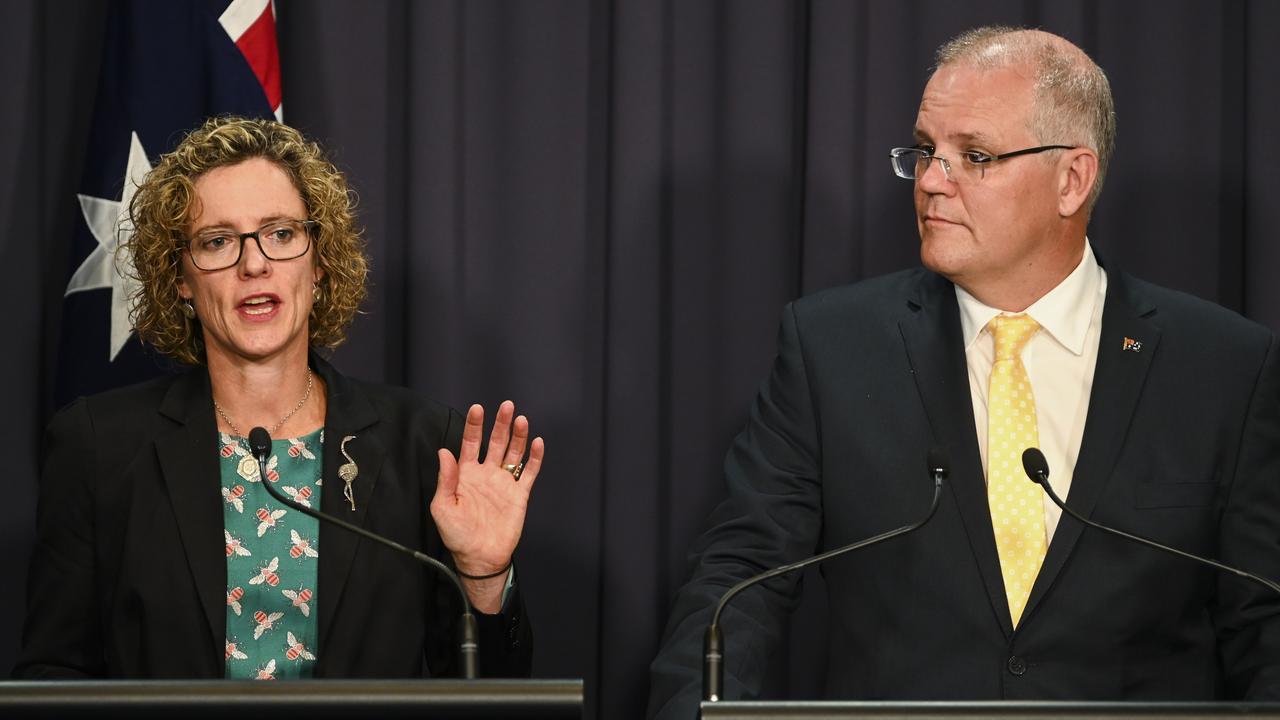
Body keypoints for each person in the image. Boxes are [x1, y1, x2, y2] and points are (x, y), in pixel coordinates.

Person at [648, 26, 1280, 717]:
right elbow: (738, 583)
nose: (929, 182)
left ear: (1072, 179)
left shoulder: (1221, 368)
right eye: (925, 152)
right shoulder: (832, 348)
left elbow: (1266, 624)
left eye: (973, 156)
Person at [15, 116, 542, 679]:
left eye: (281, 233)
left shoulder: (421, 445)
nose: (254, 263)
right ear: (180, 281)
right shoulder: (99, 447)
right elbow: (54, 681)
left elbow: (485, 695)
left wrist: (484, 576)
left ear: (319, 264)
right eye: (218, 241)